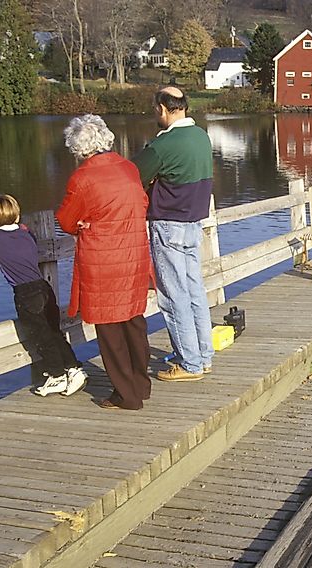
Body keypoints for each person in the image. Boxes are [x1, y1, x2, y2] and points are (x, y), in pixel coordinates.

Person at [57, 115, 153, 410]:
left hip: (103, 260)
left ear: (79, 149)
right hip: (134, 255)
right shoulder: (128, 168)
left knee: (110, 329)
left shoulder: (83, 177)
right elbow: (142, 204)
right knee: (134, 322)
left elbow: (66, 220)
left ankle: (126, 395)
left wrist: (85, 223)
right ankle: (140, 384)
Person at [0, 195, 86, 397]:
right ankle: (73, 368)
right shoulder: (26, 233)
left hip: (25, 293)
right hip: (44, 288)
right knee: (54, 331)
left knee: (41, 336)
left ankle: (56, 376)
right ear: (17, 214)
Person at [132, 87, 214, 381]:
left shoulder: (164, 145)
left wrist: (153, 179)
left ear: (163, 109)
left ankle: (189, 363)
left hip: (168, 224)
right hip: (194, 224)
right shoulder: (201, 136)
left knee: (172, 295)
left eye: (155, 109)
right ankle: (203, 356)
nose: (155, 114)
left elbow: (132, 176)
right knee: (194, 291)